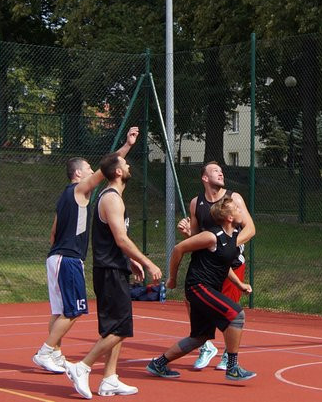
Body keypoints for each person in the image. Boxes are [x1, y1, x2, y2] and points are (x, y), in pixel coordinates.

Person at [32, 127, 139, 374]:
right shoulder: (79, 190)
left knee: (60, 311)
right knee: (74, 310)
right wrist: (127, 146)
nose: (93, 172)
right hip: (68, 258)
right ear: (78, 173)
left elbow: (53, 231)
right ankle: (45, 351)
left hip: (56, 257)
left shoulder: (64, 196)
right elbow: (107, 168)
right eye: (89, 169)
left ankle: (55, 353)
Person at [63, 152, 162, 399]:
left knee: (115, 327)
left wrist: (130, 261)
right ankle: (81, 366)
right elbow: (121, 239)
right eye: (125, 164)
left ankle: (109, 378)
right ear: (118, 171)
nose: (129, 166)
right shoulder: (111, 199)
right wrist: (147, 262)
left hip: (114, 267)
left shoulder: (113, 197)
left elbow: (113, 240)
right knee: (120, 328)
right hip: (109, 271)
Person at [147, 196, 256, 381]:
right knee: (237, 315)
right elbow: (178, 249)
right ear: (229, 217)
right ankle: (232, 367)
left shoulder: (232, 239)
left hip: (207, 288)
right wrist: (172, 278)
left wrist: (239, 284)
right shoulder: (212, 236)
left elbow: (223, 265)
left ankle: (158, 364)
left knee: (200, 337)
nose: (240, 211)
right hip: (198, 286)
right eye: (237, 209)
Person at [176, 161, 255, 371]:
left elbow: (250, 229)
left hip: (230, 264)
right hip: (205, 266)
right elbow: (196, 236)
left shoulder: (233, 198)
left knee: (230, 310)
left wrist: (228, 245)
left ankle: (229, 355)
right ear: (204, 178)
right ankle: (206, 346)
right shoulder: (196, 203)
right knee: (192, 302)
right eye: (215, 171)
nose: (220, 173)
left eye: (221, 171)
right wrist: (187, 233)